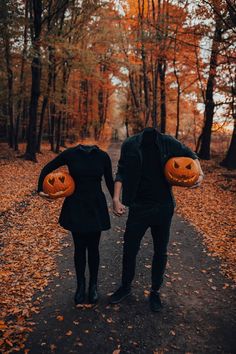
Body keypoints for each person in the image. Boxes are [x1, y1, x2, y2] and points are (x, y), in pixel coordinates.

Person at [110, 127, 204, 312]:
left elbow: (192, 155)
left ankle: (155, 291)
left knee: (160, 251)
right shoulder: (130, 144)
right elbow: (121, 171)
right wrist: (115, 199)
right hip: (138, 207)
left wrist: (200, 173)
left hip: (163, 207)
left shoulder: (168, 142)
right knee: (130, 249)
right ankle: (125, 286)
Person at [37, 144, 114, 305]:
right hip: (76, 205)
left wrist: (116, 200)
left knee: (93, 248)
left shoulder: (103, 156)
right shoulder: (70, 154)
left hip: (95, 206)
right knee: (79, 248)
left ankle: (93, 286)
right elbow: (47, 168)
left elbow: (109, 181)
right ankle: (80, 286)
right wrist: (40, 190)